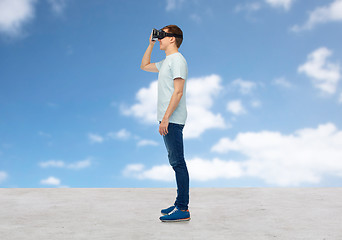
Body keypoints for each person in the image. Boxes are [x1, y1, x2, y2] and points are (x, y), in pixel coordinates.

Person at [140, 25, 190, 222]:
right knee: (175, 161)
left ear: (173, 39)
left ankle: (183, 209)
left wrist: (167, 118)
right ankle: (179, 203)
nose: (159, 37)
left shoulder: (177, 60)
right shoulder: (167, 62)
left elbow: (178, 91)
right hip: (167, 118)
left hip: (173, 119)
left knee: (178, 163)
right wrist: (150, 44)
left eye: (163, 35)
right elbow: (144, 66)